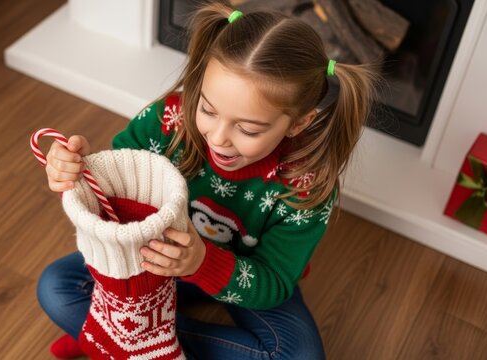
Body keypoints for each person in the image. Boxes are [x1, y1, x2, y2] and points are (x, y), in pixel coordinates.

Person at [37, 1, 378, 359]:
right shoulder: (169, 120)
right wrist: (82, 172)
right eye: (208, 109)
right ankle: (126, 334)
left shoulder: (305, 184)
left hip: (240, 273)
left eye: (247, 129)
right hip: (150, 260)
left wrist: (202, 263)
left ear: (297, 123)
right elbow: (118, 191)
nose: (218, 138)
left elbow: (275, 281)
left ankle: (109, 334)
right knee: (55, 287)